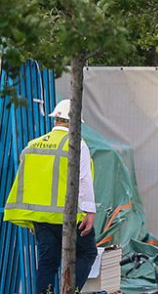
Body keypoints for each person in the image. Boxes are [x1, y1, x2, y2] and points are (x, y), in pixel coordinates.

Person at [3, 99, 97, 293]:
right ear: (75, 121)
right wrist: (89, 211)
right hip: (71, 218)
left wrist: (32, 221)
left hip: (42, 218)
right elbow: (84, 179)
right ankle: (70, 291)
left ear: (56, 119)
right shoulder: (77, 144)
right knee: (87, 253)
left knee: (48, 262)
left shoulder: (33, 146)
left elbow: (26, 184)